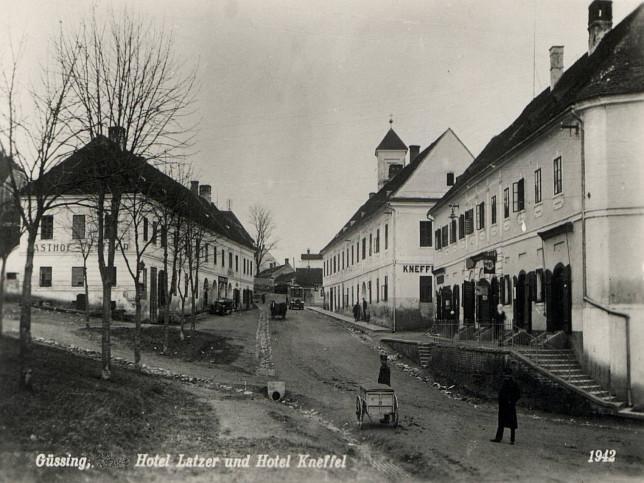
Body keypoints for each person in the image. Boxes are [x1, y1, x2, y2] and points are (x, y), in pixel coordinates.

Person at [491, 368, 521, 444]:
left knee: (512, 424)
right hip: (503, 405)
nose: (506, 376)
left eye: (508, 375)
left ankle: (512, 439)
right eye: (505, 375)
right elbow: (501, 393)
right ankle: (498, 438)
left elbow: (518, 395)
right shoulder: (504, 382)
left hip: (510, 406)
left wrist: (512, 401)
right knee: (501, 422)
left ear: (510, 375)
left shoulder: (513, 384)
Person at [378, 354, 391, 423]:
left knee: (385, 401)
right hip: (382, 385)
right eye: (382, 361)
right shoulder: (382, 367)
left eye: (384, 361)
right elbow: (380, 377)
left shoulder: (386, 368)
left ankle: (386, 418)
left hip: (386, 386)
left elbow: (386, 379)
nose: (382, 362)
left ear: (386, 361)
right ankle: (386, 417)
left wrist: (384, 386)